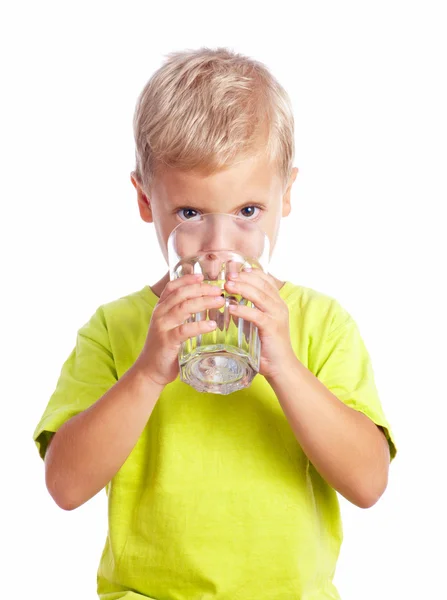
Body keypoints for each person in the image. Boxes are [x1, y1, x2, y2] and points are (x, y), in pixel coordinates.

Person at [33, 47, 397, 600]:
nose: (220, 246)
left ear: (287, 195)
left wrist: (285, 368)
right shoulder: (115, 328)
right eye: (190, 213)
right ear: (145, 200)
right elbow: (64, 486)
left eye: (248, 211)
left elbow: (369, 484)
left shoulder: (322, 323)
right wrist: (149, 373)